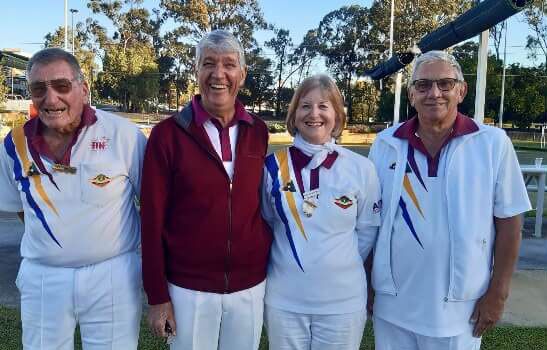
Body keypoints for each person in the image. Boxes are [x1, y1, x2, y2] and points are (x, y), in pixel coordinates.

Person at [368, 50, 531, 350]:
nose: (434, 93)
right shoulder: (386, 144)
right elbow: (370, 222)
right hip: (392, 304)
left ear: (461, 90)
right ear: (411, 94)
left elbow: (510, 225)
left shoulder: (492, 143)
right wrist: (367, 283)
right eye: (423, 85)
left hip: (460, 308)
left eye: (445, 83)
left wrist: (499, 292)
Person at [0, 48, 146, 349]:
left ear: (83, 88)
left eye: (61, 86)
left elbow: (152, 203)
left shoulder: (124, 135)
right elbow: (19, 209)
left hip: (113, 276)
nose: (51, 99)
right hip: (43, 277)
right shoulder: (14, 145)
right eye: (38, 88)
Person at [141, 29, 272, 350]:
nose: (219, 74)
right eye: (209, 63)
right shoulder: (167, 135)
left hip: (249, 286)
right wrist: (158, 296)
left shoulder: (258, 131)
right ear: (196, 71)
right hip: (189, 289)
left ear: (242, 73)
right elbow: (151, 221)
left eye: (229, 65)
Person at [261, 74, 381, 350]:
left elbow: (367, 231)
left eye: (323, 106)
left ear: (337, 116)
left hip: (343, 302)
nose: (314, 114)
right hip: (284, 300)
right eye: (305, 106)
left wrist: (333, 264)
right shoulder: (271, 167)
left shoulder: (362, 169)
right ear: (294, 115)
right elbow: (268, 223)